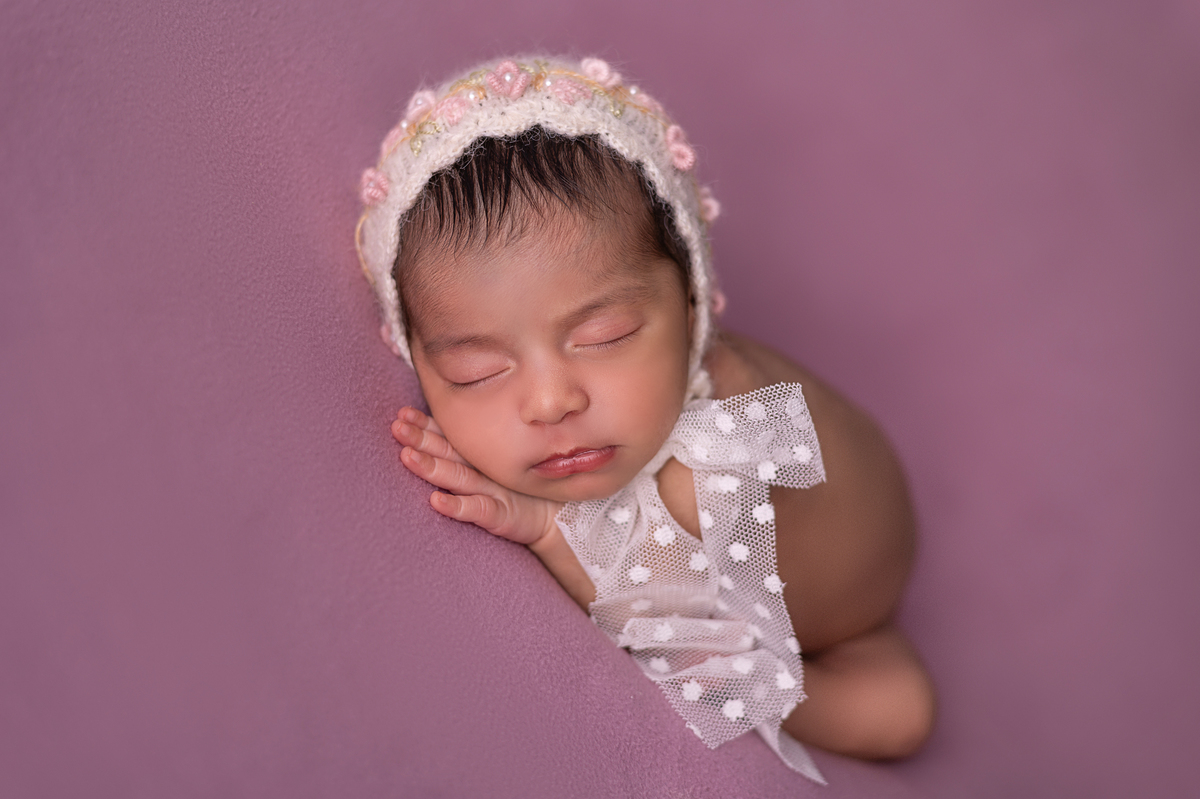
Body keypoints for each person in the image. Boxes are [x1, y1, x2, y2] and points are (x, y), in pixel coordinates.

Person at [356, 56, 934, 781]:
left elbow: (661, 622)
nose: (550, 402)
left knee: (877, 715)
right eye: (477, 371)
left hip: (862, 582)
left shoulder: (716, 454)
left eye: (606, 336)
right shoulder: (597, 415)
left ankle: (768, 678)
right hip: (849, 642)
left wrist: (548, 532)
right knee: (900, 709)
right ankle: (783, 683)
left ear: (692, 306)